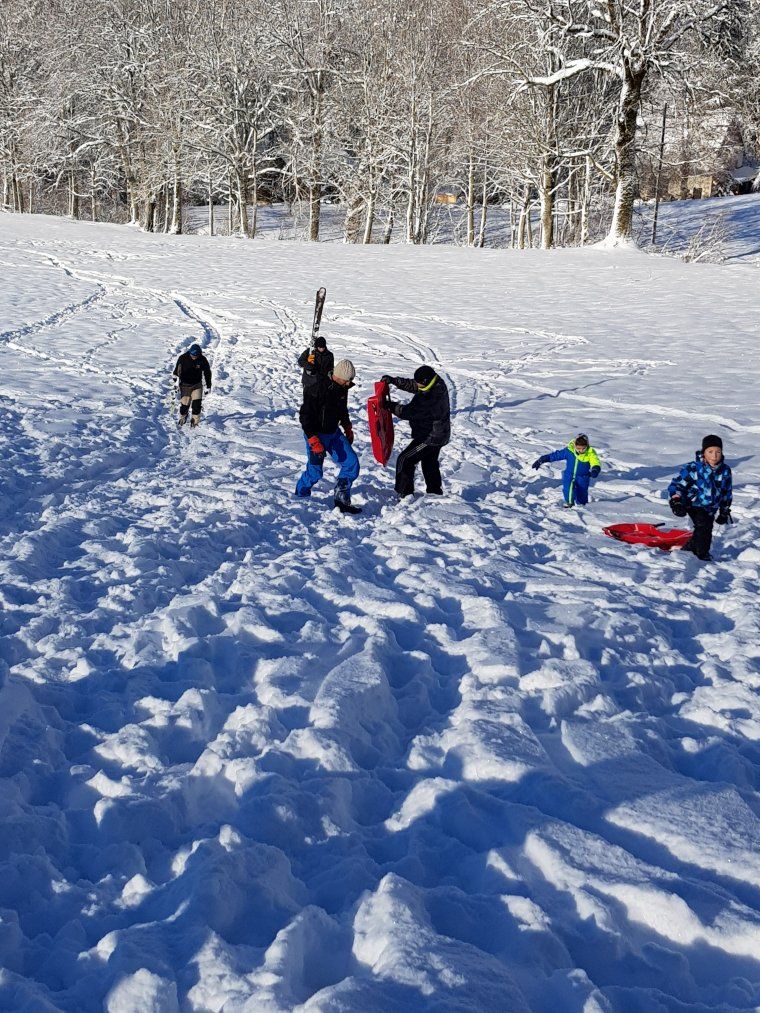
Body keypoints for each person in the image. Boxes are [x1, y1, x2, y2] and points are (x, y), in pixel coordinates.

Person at [296, 359, 361, 514]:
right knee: (315, 472)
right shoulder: (316, 389)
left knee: (352, 463)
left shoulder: (342, 388)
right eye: (347, 381)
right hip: (316, 435)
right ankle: (300, 496)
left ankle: (341, 499)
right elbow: (305, 416)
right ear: (338, 376)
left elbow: (342, 409)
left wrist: (347, 426)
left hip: (333, 433)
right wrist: (312, 439)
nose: (348, 384)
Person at [381, 365, 451, 498]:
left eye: (419, 382)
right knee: (429, 463)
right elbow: (415, 385)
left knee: (405, 459)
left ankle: (404, 494)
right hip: (439, 433)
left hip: (430, 437)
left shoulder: (431, 397)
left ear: (425, 381)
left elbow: (409, 412)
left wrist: (390, 406)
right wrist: (395, 381)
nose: (417, 385)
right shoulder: (435, 381)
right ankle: (435, 493)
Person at [667, 434, 732, 561]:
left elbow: (726, 492)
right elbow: (677, 485)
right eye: (710, 452)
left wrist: (724, 511)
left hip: (711, 507)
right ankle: (702, 555)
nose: (714, 456)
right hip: (693, 503)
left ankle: (690, 548)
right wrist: (676, 501)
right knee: (703, 527)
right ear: (704, 453)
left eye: (718, 452)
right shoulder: (694, 468)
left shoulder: (725, 471)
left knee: (705, 527)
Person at [532, 434, 601, 507]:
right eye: (578, 448)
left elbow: (595, 461)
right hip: (569, 475)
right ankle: (570, 503)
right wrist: (543, 459)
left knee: (582, 492)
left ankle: (582, 506)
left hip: (583, 477)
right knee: (568, 489)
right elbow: (556, 455)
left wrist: (595, 469)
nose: (581, 451)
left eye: (583, 448)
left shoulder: (590, 453)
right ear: (575, 446)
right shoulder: (569, 451)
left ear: (587, 446)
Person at [173, 343, 212, 427]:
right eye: (193, 355)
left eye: (196, 356)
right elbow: (176, 371)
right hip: (185, 385)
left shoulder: (202, 359)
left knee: (197, 404)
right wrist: (176, 383)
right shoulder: (183, 358)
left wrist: (208, 386)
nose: (194, 357)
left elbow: (207, 373)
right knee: (185, 405)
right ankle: (183, 416)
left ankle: (195, 420)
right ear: (190, 353)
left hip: (197, 385)